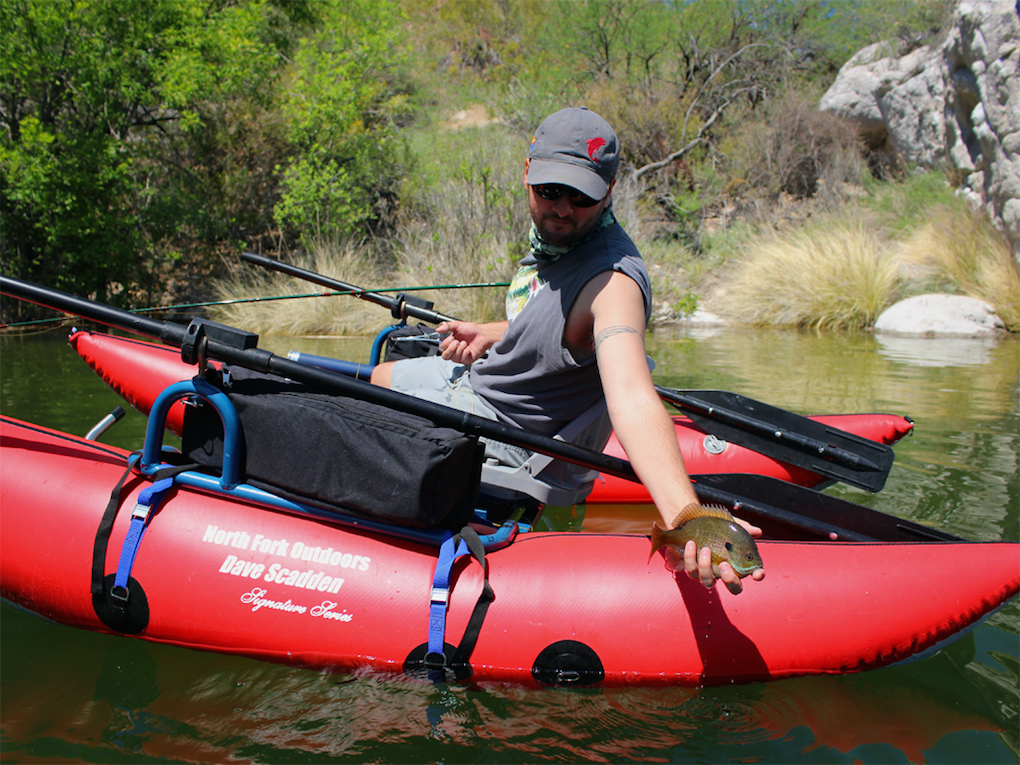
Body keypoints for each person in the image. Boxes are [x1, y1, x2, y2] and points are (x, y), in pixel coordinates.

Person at [372, 107, 764, 594]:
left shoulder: (613, 282)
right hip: (490, 386)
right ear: (527, 174)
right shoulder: (561, 246)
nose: (562, 207)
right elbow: (558, 322)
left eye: (581, 196)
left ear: (609, 191)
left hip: (508, 434)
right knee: (383, 372)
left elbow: (632, 396)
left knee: (374, 390)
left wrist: (686, 517)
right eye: (550, 190)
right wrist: (497, 333)